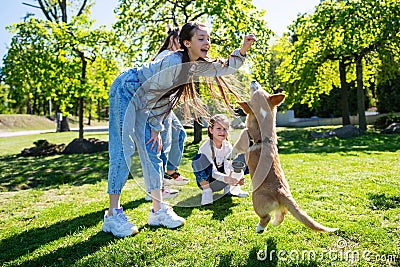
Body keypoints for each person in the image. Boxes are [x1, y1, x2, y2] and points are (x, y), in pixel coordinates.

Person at [102, 21, 256, 237]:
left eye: (208, 38)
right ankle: (112, 215)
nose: (207, 43)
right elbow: (154, 95)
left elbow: (224, 67)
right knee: (123, 149)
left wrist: (243, 49)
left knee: (153, 151)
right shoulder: (174, 62)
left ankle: (157, 211)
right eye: (201, 39)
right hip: (127, 89)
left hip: (146, 101)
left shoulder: (196, 64)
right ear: (186, 43)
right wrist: (156, 126)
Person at [154, 26, 190, 188]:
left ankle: (170, 172)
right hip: (157, 104)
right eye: (179, 40)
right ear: (171, 40)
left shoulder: (173, 57)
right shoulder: (167, 56)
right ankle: (159, 182)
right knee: (162, 142)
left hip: (165, 104)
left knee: (179, 133)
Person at [192, 114, 249, 206]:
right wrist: (226, 178)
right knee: (198, 159)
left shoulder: (227, 146)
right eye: (219, 128)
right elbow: (213, 172)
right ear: (211, 130)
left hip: (223, 181)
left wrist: (236, 177)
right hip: (209, 181)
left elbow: (229, 165)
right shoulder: (206, 147)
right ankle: (207, 192)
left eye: (225, 129)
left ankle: (230, 189)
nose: (222, 132)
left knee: (242, 155)